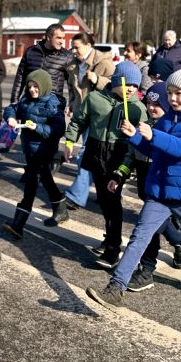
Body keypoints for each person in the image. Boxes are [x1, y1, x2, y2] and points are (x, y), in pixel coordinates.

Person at [87, 68, 181, 309]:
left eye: (178, 93)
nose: (172, 98)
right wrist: (135, 137)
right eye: (170, 93)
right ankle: (116, 287)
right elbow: (155, 150)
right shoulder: (168, 117)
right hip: (159, 191)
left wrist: (153, 135)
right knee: (139, 237)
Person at [106, 82, 181, 292]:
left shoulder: (171, 129)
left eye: (157, 104)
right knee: (156, 224)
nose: (152, 108)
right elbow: (131, 155)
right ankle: (179, 240)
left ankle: (147, 269)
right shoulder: (143, 124)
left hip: (164, 186)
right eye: (149, 103)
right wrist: (119, 175)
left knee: (148, 228)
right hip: (146, 185)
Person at [62, 61, 148, 266]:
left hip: (119, 156)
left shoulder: (137, 108)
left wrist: (134, 135)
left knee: (112, 201)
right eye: (128, 84)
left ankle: (113, 248)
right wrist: (69, 141)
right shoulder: (95, 98)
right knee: (102, 199)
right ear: (116, 81)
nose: (131, 90)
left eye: (135, 86)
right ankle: (110, 238)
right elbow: (78, 121)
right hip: (95, 151)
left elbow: (145, 136)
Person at [1, 70, 66, 238]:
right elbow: (12, 108)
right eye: (29, 86)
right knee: (45, 178)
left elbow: (58, 130)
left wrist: (36, 127)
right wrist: (11, 118)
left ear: (43, 86)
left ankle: (18, 224)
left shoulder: (52, 104)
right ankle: (61, 208)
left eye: (35, 86)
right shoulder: (26, 100)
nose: (31, 90)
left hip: (44, 150)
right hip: (30, 149)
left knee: (31, 185)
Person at [61, 32, 116, 211]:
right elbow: (72, 87)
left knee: (87, 155)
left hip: (100, 117)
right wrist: (71, 104)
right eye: (73, 47)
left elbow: (118, 87)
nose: (73, 50)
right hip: (82, 114)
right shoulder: (73, 65)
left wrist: (98, 80)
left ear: (88, 45)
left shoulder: (104, 63)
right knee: (91, 157)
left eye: (77, 47)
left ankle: (76, 196)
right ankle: (105, 192)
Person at [9, 23, 74, 107]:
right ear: (48, 37)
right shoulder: (30, 52)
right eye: (58, 38)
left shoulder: (67, 56)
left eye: (63, 38)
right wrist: (14, 101)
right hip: (29, 104)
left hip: (53, 106)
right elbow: (20, 78)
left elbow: (72, 82)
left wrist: (72, 103)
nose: (61, 41)